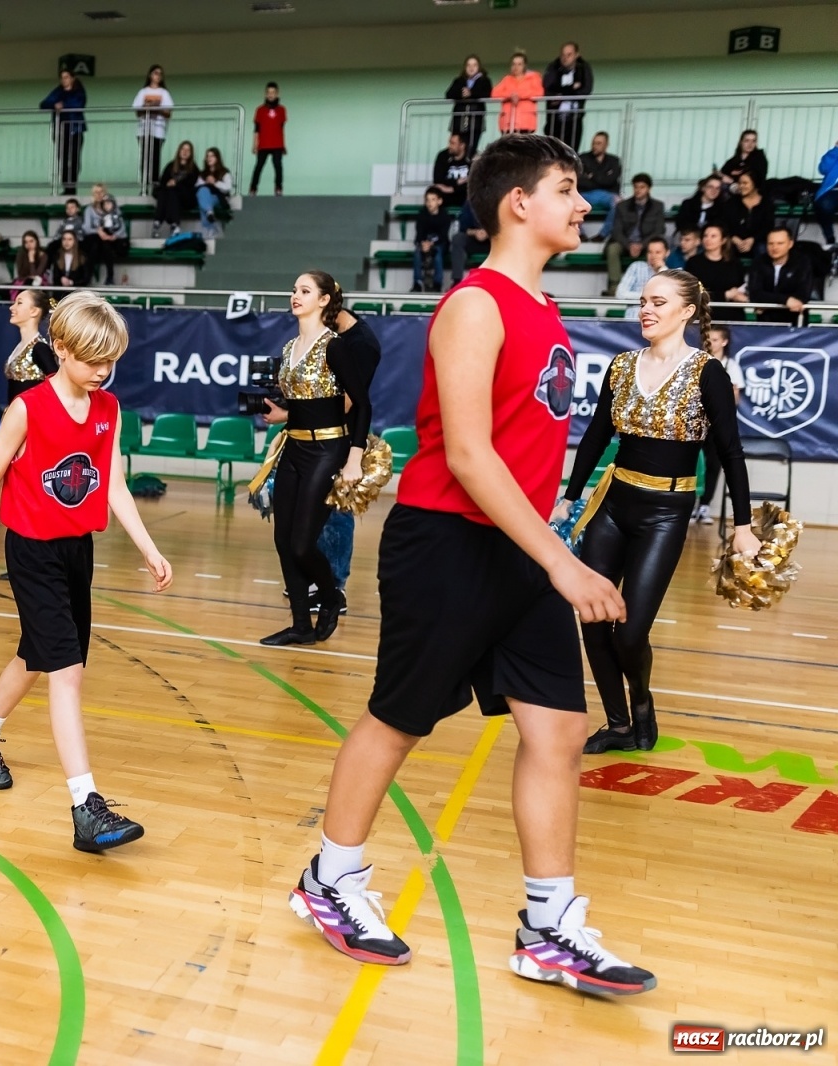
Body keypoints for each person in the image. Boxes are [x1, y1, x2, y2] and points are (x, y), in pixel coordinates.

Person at [292, 134, 655, 997]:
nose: (584, 205)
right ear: (517, 203)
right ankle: (330, 881)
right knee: (400, 717)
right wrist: (564, 561)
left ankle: (548, 926)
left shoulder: (541, 309)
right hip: (446, 543)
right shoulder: (475, 305)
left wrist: (546, 555)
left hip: (517, 546)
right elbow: (465, 453)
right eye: (568, 189)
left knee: (559, 729)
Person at [0, 291, 172, 851]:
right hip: (31, 549)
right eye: (93, 360)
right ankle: (86, 807)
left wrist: (147, 545)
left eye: (110, 361)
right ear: (61, 348)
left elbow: (112, 482)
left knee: (40, 654)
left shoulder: (109, 408)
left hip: (76, 551)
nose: (103, 371)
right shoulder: (27, 408)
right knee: (66, 670)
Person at [557, 271, 758, 754]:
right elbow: (595, 436)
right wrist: (570, 494)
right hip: (612, 503)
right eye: (643, 301)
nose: (646, 309)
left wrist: (744, 526)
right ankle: (619, 723)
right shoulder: (622, 365)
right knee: (591, 619)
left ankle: (642, 704)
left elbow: (731, 452)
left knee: (630, 635)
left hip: (666, 513)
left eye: (658, 302)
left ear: (687, 311)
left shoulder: (707, 371)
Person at [252, 271, 371, 647]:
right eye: (293, 290)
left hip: (327, 450)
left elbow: (363, 404)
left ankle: (331, 596)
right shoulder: (289, 348)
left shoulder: (335, 346)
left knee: (303, 543)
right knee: (283, 540)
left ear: (323, 300)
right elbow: (309, 402)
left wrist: (354, 459)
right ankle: (301, 624)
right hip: (294, 447)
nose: (295, 296)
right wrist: (281, 415)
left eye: (305, 290)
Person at [310, 307, 383, 617]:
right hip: (322, 431)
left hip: (344, 434)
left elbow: (349, 401)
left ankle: (335, 588)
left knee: (337, 510)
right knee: (314, 508)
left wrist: (299, 408)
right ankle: (318, 578)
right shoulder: (333, 336)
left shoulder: (360, 344)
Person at [696, 323, 743, 523]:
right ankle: (687, 504)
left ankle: (704, 506)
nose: (711, 343)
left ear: (724, 342)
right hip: (696, 422)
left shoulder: (731, 366)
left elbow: (735, 399)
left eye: (715, 340)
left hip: (717, 424)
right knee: (692, 463)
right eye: (709, 339)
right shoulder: (697, 361)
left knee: (713, 464)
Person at [603, 173, 666, 295]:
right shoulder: (622, 206)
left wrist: (642, 245)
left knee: (657, 249)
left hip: (646, 243)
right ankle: (614, 286)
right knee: (612, 249)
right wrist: (629, 245)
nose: (638, 190)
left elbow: (659, 230)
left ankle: (653, 286)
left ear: (648, 189)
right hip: (625, 242)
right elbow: (616, 230)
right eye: (636, 187)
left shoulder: (658, 206)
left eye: (642, 187)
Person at [745, 226, 814, 324]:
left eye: (780, 243)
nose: (774, 247)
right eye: (771, 243)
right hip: (765, 323)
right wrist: (786, 300)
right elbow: (755, 295)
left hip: (794, 324)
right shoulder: (758, 262)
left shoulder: (802, 262)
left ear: (790, 244)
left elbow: (802, 295)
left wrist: (767, 301)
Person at [3, 287, 58, 407]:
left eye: (19, 303)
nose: (12, 307)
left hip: (31, 419)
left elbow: (58, 383)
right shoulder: (20, 347)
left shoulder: (40, 348)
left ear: (34, 311)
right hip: (15, 417)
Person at [685, 223, 746, 321]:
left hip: (731, 316)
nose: (708, 239)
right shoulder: (694, 263)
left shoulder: (734, 263)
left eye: (713, 236)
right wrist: (725, 295)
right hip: (703, 316)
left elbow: (741, 287)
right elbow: (694, 292)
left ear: (723, 240)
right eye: (705, 236)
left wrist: (740, 296)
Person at [40, 69, 87, 196]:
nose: (64, 80)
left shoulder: (79, 91)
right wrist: (55, 105)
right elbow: (43, 103)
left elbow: (78, 104)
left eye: (66, 77)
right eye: (62, 77)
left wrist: (63, 105)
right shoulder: (58, 91)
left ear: (72, 78)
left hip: (75, 130)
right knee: (63, 159)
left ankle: (72, 187)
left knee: (74, 160)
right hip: (60, 131)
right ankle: (66, 187)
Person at [542, 42, 593, 151]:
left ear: (577, 55)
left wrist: (561, 95)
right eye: (563, 55)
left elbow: (586, 90)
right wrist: (571, 89)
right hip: (554, 118)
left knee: (571, 151)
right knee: (553, 151)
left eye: (569, 55)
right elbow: (547, 89)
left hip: (574, 117)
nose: (565, 58)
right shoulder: (553, 67)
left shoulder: (583, 68)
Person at [131, 65, 173, 192]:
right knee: (145, 158)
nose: (158, 76)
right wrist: (147, 108)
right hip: (144, 130)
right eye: (155, 73)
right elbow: (137, 111)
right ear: (150, 75)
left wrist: (156, 109)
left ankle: (155, 187)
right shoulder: (143, 92)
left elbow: (168, 112)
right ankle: (144, 187)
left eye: (160, 74)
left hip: (158, 131)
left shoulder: (164, 93)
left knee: (155, 158)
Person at [577, 131, 621, 240]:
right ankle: (580, 233)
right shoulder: (583, 158)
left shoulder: (614, 161)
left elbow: (611, 180)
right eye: (593, 143)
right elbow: (580, 180)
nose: (594, 146)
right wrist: (603, 178)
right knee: (572, 203)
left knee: (619, 203)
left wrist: (592, 176)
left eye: (598, 143)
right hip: (586, 194)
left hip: (607, 195)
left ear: (606, 145)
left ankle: (602, 235)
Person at [445, 56, 491, 155]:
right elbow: (448, 94)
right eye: (468, 65)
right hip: (458, 122)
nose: (471, 68)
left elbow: (487, 94)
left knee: (471, 148)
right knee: (456, 148)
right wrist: (461, 94)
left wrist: (471, 93)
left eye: (474, 65)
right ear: (465, 67)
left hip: (475, 122)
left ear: (479, 67)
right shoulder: (459, 81)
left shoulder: (484, 80)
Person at [152, 140, 198, 238]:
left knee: (173, 191)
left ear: (191, 154)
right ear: (179, 151)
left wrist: (175, 184)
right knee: (166, 191)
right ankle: (171, 224)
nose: (185, 152)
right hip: (170, 196)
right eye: (183, 149)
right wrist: (168, 183)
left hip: (186, 198)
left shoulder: (193, 168)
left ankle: (161, 222)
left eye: (188, 150)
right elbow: (162, 181)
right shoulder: (170, 166)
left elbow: (191, 184)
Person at [723, 171, 774, 259]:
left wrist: (752, 239)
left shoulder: (766, 204)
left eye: (745, 183)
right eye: (739, 183)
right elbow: (724, 224)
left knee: (762, 249)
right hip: (735, 241)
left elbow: (768, 227)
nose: (741, 186)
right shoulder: (731, 203)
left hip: (757, 241)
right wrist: (734, 238)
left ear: (755, 184)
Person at [615, 237, 670, 317]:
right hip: (634, 318)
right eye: (650, 252)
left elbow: (669, 296)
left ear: (667, 253)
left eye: (658, 252)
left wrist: (663, 270)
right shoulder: (636, 267)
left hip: (659, 321)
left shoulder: (672, 273)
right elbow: (620, 293)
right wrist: (648, 296)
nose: (653, 256)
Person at [250, 81, 287, 196]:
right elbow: (257, 129)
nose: (271, 95)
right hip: (263, 143)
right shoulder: (259, 110)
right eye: (268, 92)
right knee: (259, 166)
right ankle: (253, 189)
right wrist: (254, 144)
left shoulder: (282, 110)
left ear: (277, 94)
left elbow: (281, 129)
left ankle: (278, 188)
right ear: (265, 94)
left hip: (277, 144)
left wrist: (284, 145)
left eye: (273, 92)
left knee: (278, 166)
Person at [491, 53, 542, 135]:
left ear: (524, 66)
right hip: (508, 122)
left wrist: (519, 95)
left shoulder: (533, 78)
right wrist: (510, 95)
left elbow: (539, 92)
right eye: (513, 64)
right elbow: (494, 93)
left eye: (519, 64)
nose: (516, 67)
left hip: (526, 122)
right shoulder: (507, 79)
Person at [413, 186, 452, 292]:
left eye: (433, 200)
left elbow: (443, 235)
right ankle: (417, 283)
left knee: (437, 253)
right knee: (417, 253)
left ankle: (437, 283)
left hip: (440, 243)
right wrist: (422, 243)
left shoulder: (445, 216)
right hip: (424, 243)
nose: (430, 203)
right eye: (427, 200)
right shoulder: (422, 215)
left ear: (439, 201)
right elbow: (419, 233)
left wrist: (431, 244)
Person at [82, 196, 125, 285]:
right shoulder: (102, 217)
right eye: (104, 204)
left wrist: (114, 236)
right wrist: (100, 231)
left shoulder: (117, 215)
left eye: (109, 203)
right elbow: (99, 227)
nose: (107, 206)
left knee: (106, 247)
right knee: (101, 247)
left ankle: (110, 276)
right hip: (106, 241)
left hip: (118, 240)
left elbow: (122, 229)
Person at [449, 200, 490, 287]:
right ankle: (457, 281)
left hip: (492, 241)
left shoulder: (498, 202)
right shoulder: (469, 204)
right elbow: (463, 228)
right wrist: (475, 232)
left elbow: (503, 227)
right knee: (457, 238)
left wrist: (488, 233)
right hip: (473, 239)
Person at [195, 148, 233, 238]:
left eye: (212, 156)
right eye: (207, 156)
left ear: (217, 158)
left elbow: (228, 188)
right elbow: (197, 188)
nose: (209, 158)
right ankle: (209, 214)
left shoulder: (224, 172)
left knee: (204, 202)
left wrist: (215, 183)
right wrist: (206, 184)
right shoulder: (203, 173)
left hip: (219, 198)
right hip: (206, 197)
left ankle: (210, 227)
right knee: (202, 192)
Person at [433, 133, 472, 209]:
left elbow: (474, 183)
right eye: (449, 142)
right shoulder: (443, 156)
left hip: (464, 196)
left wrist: (452, 188)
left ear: (462, 145)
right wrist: (456, 182)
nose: (449, 146)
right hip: (446, 196)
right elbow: (437, 181)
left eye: (453, 143)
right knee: (433, 196)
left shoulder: (472, 157)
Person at [813, 139, 838, 246]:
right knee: (823, 205)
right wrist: (836, 150)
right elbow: (823, 169)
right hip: (833, 191)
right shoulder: (835, 155)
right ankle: (830, 239)